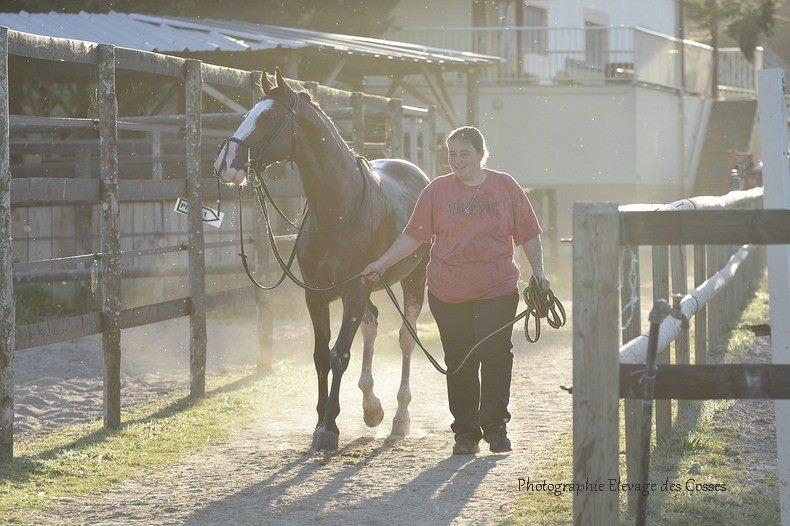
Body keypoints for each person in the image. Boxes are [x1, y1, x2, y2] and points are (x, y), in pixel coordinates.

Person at [361, 126, 548, 455]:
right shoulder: (436, 192)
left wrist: (540, 273)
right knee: (460, 359)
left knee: (495, 356)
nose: (457, 161)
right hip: (448, 291)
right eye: (451, 155)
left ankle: (495, 427)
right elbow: (414, 236)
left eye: (464, 154)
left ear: (480, 154)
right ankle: (465, 432)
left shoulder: (505, 187)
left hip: (497, 287)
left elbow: (529, 233)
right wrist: (381, 262)